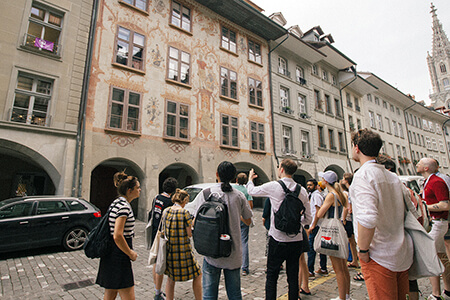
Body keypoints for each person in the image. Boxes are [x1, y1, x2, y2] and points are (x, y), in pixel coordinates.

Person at [350, 129, 413, 300]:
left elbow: (368, 218)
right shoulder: (392, 176)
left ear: (356, 148)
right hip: (400, 252)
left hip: (379, 254)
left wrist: (362, 250)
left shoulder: (363, 175)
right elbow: (412, 209)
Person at [246, 158, 312, 300]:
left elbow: (251, 190)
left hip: (277, 238)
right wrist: (294, 221)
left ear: (281, 169)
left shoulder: (274, 186)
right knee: (293, 276)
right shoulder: (303, 191)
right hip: (296, 239)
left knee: (272, 276)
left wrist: (250, 178)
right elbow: (308, 219)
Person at [195, 161, 253, 300]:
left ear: (217, 175)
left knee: (209, 295)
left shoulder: (206, 193)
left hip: (211, 251)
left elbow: (196, 218)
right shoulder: (239, 196)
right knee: (234, 295)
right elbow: (248, 220)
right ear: (233, 177)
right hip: (233, 253)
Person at [96, 172, 140, 300]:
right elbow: (117, 235)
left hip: (111, 254)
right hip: (119, 255)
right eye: (137, 187)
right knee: (128, 295)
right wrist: (130, 253)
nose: (139, 190)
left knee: (110, 293)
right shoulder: (123, 207)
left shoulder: (117, 202)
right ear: (129, 190)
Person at [312, 170, 350, 300]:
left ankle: (341, 297)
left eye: (322, 179)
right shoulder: (340, 194)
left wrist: (321, 206)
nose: (321, 181)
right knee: (343, 267)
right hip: (339, 228)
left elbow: (319, 214)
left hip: (331, 230)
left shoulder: (331, 195)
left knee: (337, 268)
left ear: (326, 181)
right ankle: (347, 295)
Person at [416, 157, 450, 300]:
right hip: (435, 222)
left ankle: (436, 294)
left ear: (426, 168)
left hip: (438, 222)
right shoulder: (427, 181)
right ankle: (447, 291)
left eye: (420, 163)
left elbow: (445, 205)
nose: (416, 164)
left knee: (431, 258)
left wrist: (423, 207)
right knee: (442, 257)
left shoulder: (437, 182)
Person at [163, 189, 202, 300]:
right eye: (187, 201)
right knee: (197, 274)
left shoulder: (166, 211)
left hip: (170, 250)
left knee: (171, 279)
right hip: (183, 250)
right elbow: (189, 234)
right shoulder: (184, 213)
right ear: (184, 200)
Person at [149, 177, 178, 300]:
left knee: (156, 262)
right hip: (164, 235)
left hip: (155, 232)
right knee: (161, 264)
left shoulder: (157, 198)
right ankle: (158, 293)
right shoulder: (169, 202)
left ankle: (157, 289)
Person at [305, 178, 328, 278]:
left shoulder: (317, 195)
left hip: (317, 225)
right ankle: (323, 268)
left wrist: (313, 225)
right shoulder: (312, 195)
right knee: (319, 247)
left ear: (315, 186)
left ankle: (310, 270)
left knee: (312, 248)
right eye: (308, 185)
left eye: (310, 185)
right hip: (315, 224)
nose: (308, 187)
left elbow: (318, 212)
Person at [232, 173, 253, 276]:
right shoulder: (247, 190)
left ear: (236, 179)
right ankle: (244, 268)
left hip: (233, 217)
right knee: (244, 241)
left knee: (232, 240)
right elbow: (250, 206)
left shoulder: (232, 188)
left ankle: (232, 263)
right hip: (243, 218)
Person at [340, 173, 359, 269]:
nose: (342, 180)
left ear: (346, 181)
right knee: (352, 241)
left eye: (343, 179)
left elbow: (346, 207)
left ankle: (353, 259)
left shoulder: (348, 192)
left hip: (348, 219)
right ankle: (355, 260)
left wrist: (343, 219)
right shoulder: (351, 190)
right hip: (352, 218)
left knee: (351, 240)